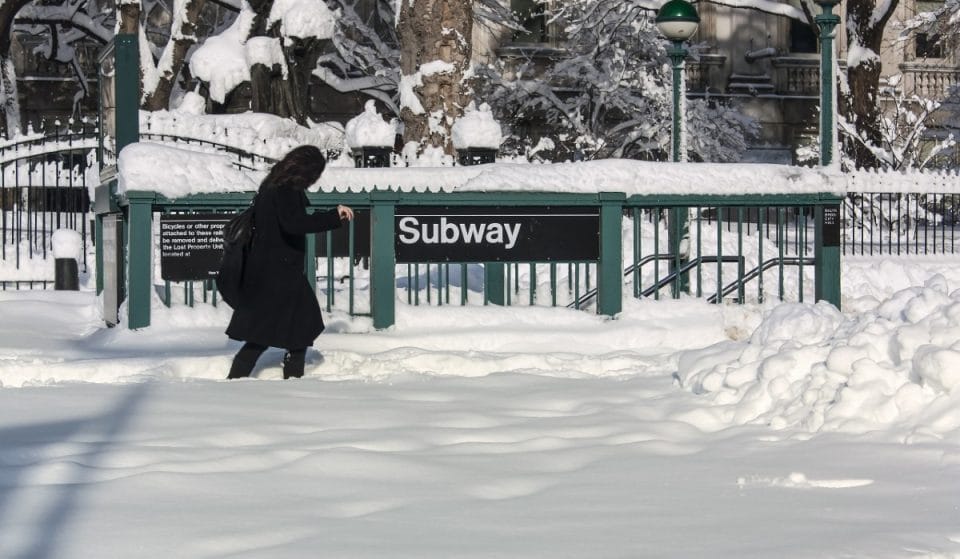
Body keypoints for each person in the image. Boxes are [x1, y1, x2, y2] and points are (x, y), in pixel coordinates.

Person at [226, 145, 354, 379]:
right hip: (278, 271)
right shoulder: (285, 189)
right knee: (296, 326)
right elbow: (294, 223)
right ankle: (288, 380)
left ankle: (248, 380)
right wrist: (333, 216)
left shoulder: (272, 184)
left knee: (272, 331)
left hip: (270, 269)